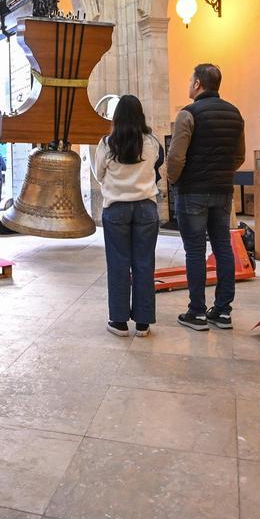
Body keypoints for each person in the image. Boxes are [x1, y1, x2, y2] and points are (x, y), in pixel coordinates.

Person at [166, 63, 245, 331]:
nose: (188, 85)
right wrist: (222, 172)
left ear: (198, 84)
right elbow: (240, 155)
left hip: (193, 192)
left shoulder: (187, 115)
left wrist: (174, 179)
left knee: (195, 251)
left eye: (190, 80)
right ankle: (222, 311)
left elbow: (176, 156)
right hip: (223, 190)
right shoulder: (235, 114)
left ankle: (197, 312)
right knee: (223, 248)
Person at [93, 94, 164, 338]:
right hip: (146, 207)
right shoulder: (152, 142)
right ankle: (143, 323)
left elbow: (98, 174)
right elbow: (156, 166)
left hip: (116, 209)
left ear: (117, 116)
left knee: (119, 264)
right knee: (144, 264)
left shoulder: (107, 143)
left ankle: (119, 322)